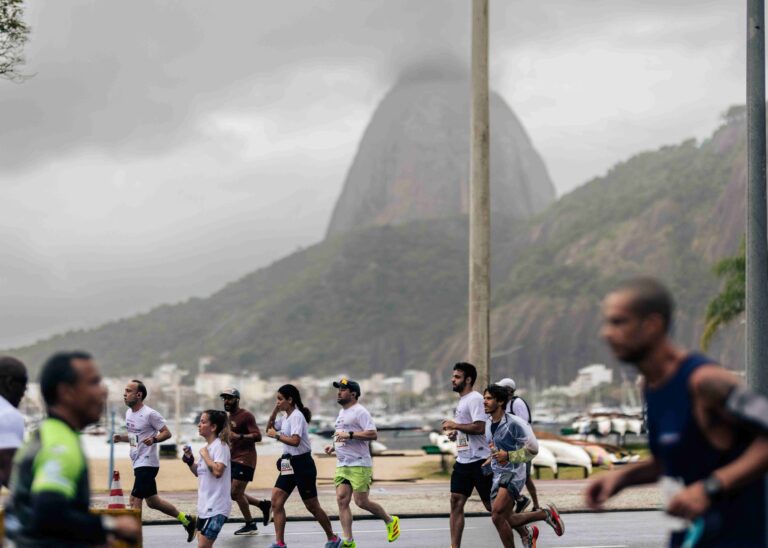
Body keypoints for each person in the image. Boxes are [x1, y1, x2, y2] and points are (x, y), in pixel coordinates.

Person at [585, 277, 768, 547]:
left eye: (619, 322)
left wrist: (710, 487)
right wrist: (622, 478)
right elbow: (669, 461)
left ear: (652, 325)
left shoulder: (704, 381)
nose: (607, 333)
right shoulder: (651, 386)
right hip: (688, 537)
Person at [5, 351, 140, 546]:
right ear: (66, 392)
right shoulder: (60, 444)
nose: (103, 391)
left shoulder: (45, 433)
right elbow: (48, 513)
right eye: (93, 382)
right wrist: (111, 525)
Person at [113, 379, 196, 542]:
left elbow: (167, 433)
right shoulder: (129, 413)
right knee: (153, 502)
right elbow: (136, 438)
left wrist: (154, 439)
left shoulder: (150, 414)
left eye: (128, 391)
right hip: (137, 461)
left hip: (148, 462)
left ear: (139, 395)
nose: (124, 394)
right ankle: (187, 520)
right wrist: (121, 438)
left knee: (134, 499)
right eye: (125, 391)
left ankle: (134, 541)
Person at [483, 384, 564, 548]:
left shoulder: (515, 423)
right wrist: (489, 460)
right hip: (498, 475)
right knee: (507, 518)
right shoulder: (488, 424)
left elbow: (533, 449)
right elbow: (496, 448)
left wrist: (509, 455)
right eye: (484, 398)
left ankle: (541, 519)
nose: (484, 401)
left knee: (497, 515)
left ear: (500, 402)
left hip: (513, 473)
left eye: (489, 398)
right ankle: (544, 515)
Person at [323, 377, 400, 547]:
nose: (339, 393)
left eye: (343, 390)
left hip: (359, 464)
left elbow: (372, 434)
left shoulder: (360, 412)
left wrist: (350, 435)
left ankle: (390, 520)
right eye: (338, 389)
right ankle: (349, 541)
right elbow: (342, 434)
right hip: (343, 464)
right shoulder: (342, 413)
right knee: (341, 500)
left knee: (361, 502)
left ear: (353, 394)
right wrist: (333, 446)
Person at [265, 384, 342, 548]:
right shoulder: (285, 417)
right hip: (288, 464)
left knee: (312, 506)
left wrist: (277, 436)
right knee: (276, 502)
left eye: (280, 399)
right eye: (276, 399)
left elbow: (295, 441)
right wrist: (275, 410)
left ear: (290, 399)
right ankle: (280, 543)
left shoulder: (297, 416)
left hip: (302, 464)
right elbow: (268, 429)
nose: (277, 402)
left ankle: (333, 538)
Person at [440, 362, 492, 548]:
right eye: (453, 376)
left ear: (468, 380)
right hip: (463, 460)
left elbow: (480, 427)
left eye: (457, 377)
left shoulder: (475, 399)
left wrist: (454, 425)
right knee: (456, 501)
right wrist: (456, 433)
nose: (452, 380)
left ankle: (525, 531)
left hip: (480, 460)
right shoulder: (463, 400)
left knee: (493, 507)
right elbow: (468, 427)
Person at [219, 387, 271, 535]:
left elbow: (258, 436)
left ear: (237, 399)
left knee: (235, 492)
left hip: (246, 458)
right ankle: (263, 505)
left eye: (229, 398)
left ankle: (250, 524)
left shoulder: (246, 415)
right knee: (232, 493)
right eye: (224, 398)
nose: (226, 401)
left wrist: (239, 436)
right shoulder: (227, 418)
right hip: (233, 458)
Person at [182, 409, 232, 547]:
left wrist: (205, 455)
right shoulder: (207, 447)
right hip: (204, 506)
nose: (199, 425)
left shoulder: (221, 446)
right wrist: (190, 460)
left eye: (203, 422)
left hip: (217, 507)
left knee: (203, 546)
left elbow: (218, 471)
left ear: (213, 427)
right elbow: (199, 472)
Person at [497, 377, 539, 513]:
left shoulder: (517, 403)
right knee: (515, 476)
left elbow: (523, 425)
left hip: (523, 447)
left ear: (508, 390)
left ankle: (532, 504)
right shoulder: (505, 405)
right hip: (511, 446)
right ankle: (520, 500)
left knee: (525, 476)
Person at [0, 356, 27, 487]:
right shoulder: (8, 415)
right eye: (23, 386)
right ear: (10, 384)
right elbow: (10, 476)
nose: (23, 393)